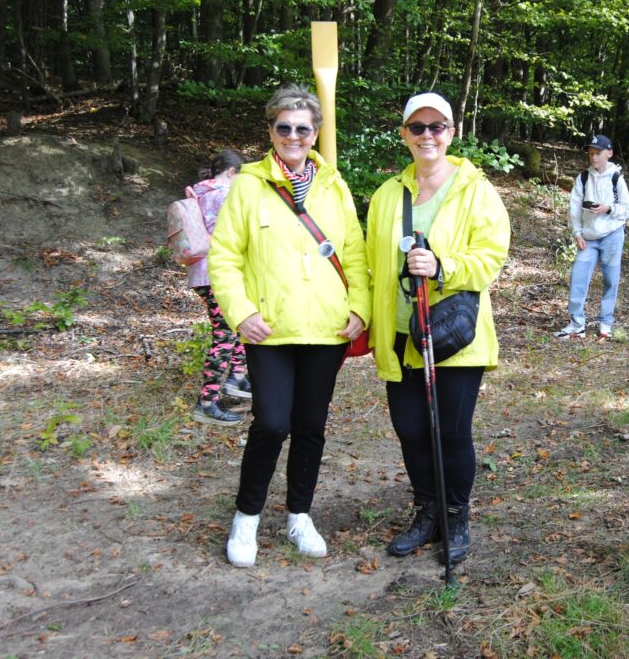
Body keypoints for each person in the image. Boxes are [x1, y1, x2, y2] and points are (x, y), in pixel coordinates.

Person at [209, 85, 370, 568]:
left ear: (316, 132)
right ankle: (247, 518)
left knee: (310, 427)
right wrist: (241, 312)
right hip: (270, 330)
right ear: (271, 131)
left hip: (326, 329)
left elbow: (356, 253)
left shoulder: (333, 185)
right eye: (285, 128)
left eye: (303, 128)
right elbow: (224, 257)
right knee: (272, 423)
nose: (294, 136)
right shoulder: (249, 185)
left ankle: (300, 514)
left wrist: (360, 307)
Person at [366, 93, 510, 565]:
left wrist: (442, 264)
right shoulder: (388, 195)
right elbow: (369, 265)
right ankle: (426, 512)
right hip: (401, 334)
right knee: (410, 430)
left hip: (452, 335)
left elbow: (491, 257)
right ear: (404, 133)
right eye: (417, 127)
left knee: (450, 432)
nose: (427, 135)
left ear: (452, 132)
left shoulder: (476, 190)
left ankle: (455, 516)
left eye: (437, 126)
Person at [185, 149, 250, 426]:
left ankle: (237, 377)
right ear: (233, 173)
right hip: (217, 274)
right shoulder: (224, 194)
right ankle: (208, 402)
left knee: (233, 325)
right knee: (224, 334)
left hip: (201, 273)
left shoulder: (199, 191)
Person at [554, 134, 629, 340]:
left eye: (598, 153)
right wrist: (577, 233)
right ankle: (576, 324)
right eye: (591, 153)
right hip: (588, 237)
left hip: (613, 235)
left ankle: (605, 323)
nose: (594, 157)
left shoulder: (617, 178)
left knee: (610, 279)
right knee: (578, 277)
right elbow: (574, 209)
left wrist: (609, 209)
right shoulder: (583, 178)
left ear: (609, 153)